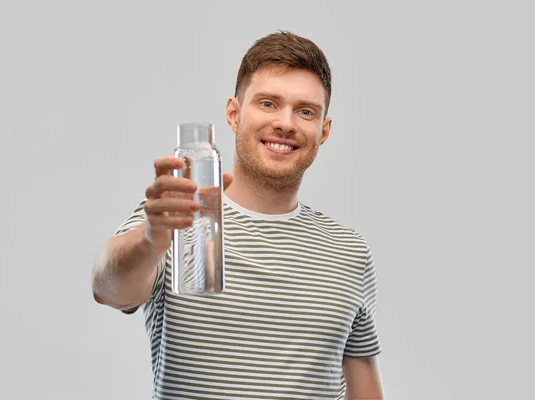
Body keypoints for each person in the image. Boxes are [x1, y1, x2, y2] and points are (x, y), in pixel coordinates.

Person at [91, 30, 384, 400]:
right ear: (233, 114)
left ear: (323, 131)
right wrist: (152, 238)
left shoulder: (349, 252)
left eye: (305, 111)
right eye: (268, 104)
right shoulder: (177, 221)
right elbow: (108, 288)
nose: (286, 123)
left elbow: (363, 387)